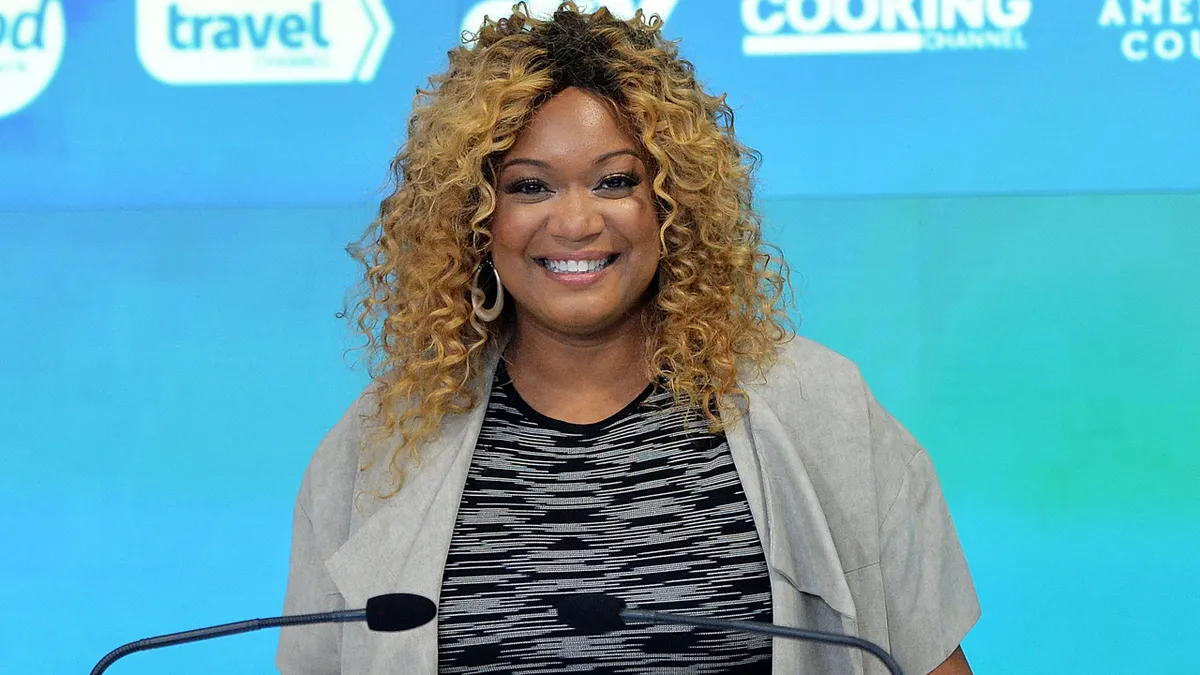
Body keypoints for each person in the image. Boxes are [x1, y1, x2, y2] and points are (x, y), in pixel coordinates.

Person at [276, 3, 980, 674]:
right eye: (529, 187)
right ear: (475, 217)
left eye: (614, 181)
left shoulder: (821, 409)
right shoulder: (378, 449)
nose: (576, 223)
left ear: (672, 203)